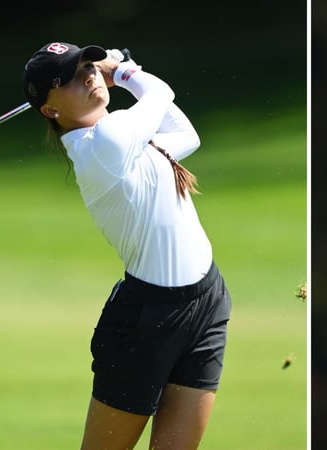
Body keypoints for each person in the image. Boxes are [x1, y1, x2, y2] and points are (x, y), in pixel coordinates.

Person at [22, 42, 232, 450]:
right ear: (50, 110)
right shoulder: (102, 146)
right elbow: (161, 94)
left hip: (207, 302)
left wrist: (120, 72)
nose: (86, 75)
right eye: (67, 78)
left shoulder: (128, 140)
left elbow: (187, 135)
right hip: (145, 321)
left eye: (86, 65)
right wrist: (122, 72)